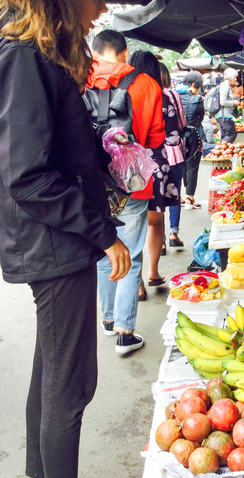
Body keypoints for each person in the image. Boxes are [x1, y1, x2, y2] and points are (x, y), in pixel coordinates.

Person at [0, 0, 132, 477]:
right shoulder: (21, 54)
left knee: (53, 377)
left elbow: (45, 151)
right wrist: (102, 232)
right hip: (56, 242)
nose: (100, 10)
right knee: (69, 387)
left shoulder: (31, 49)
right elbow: (27, 177)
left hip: (54, 239)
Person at [84, 29, 165, 351]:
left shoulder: (79, 77)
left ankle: (107, 318)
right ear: (125, 51)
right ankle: (125, 332)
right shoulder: (146, 84)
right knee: (130, 253)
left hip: (90, 181)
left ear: (94, 51)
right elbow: (156, 138)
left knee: (105, 246)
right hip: (132, 182)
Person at [128, 51, 177, 295]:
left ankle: (135, 283)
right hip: (156, 163)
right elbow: (173, 135)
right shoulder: (161, 95)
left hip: (129, 165)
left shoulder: (124, 93)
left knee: (133, 223)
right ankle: (153, 272)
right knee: (155, 222)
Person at [160, 63, 188, 246]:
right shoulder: (172, 95)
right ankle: (173, 234)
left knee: (157, 196)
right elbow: (182, 123)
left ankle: (159, 240)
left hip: (153, 156)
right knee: (174, 192)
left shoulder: (146, 95)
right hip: (174, 153)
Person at [178, 71, 205, 210]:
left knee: (178, 164)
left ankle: (179, 197)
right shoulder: (197, 100)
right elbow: (201, 118)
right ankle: (190, 198)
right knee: (192, 166)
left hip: (176, 137)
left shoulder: (173, 95)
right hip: (193, 136)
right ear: (194, 85)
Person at [217, 67, 240, 142]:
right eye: (235, 77)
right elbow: (222, 102)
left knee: (225, 135)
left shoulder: (225, 86)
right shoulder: (225, 87)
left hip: (222, 115)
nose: (236, 79)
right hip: (224, 115)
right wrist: (233, 103)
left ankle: (221, 151)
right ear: (230, 77)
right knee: (231, 134)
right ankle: (222, 149)